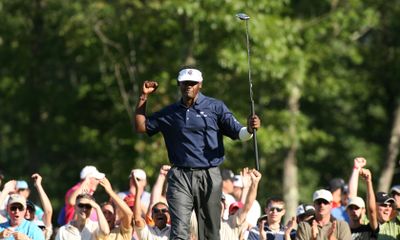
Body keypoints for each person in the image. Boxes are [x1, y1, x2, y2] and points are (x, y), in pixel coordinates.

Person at [134, 67, 261, 239]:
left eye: (193, 83)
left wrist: (250, 130)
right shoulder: (169, 112)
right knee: (179, 231)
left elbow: (239, 133)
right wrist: (143, 97)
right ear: (179, 85)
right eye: (185, 83)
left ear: (200, 85)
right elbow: (141, 127)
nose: (189, 86)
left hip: (209, 174)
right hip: (180, 175)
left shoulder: (215, 107)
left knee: (210, 231)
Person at [220, 168, 261, 240]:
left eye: (222, 201)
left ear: (225, 206)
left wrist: (254, 184)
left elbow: (246, 206)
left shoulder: (232, 223)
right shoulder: (205, 222)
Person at [133, 171, 171, 240]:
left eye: (164, 210)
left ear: (169, 215)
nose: (160, 213)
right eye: (156, 211)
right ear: (151, 216)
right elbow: (137, 219)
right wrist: (138, 190)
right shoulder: (147, 230)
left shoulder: (175, 230)